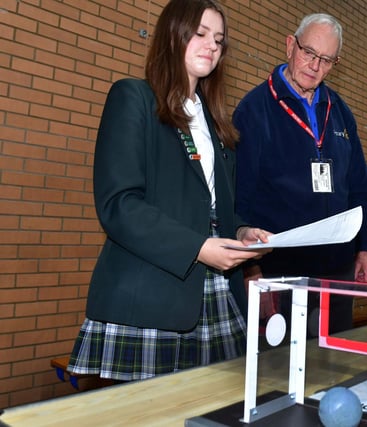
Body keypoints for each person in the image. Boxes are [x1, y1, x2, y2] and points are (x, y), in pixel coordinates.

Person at [67, 0, 271, 382]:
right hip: (152, 298)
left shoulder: (217, 125)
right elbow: (119, 205)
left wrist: (241, 231)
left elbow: (212, 206)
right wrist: (198, 248)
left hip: (216, 295)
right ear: (173, 35)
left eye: (219, 40)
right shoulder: (134, 98)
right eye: (201, 34)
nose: (212, 45)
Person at [233, 13, 367, 334]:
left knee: (333, 363)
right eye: (309, 53)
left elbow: (361, 188)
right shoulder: (254, 109)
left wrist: (364, 247)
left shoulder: (340, 112)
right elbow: (238, 196)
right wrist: (250, 267)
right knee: (277, 372)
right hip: (278, 273)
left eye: (326, 60)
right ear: (290, 45)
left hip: (336, 271)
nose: (315, 66)